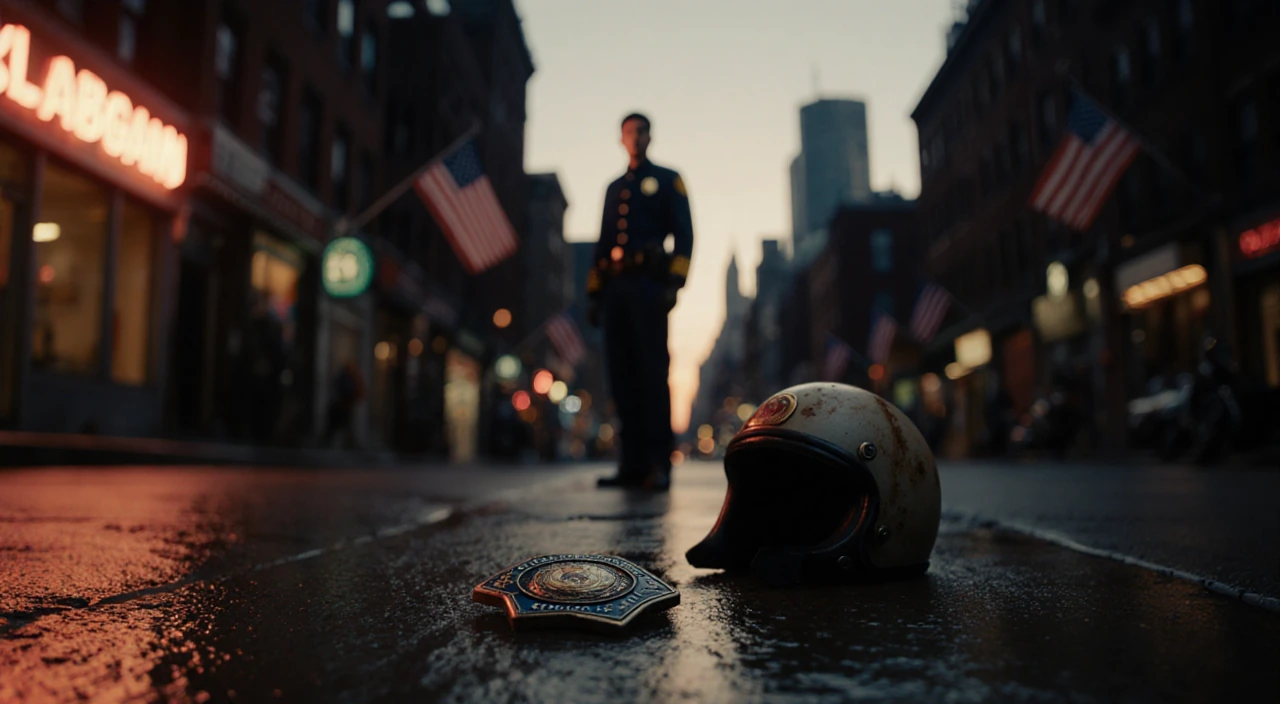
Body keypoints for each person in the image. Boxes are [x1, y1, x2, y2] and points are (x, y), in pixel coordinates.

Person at [586, 113, 693, 490]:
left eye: (642, 131)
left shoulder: (667, 179)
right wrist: (594, 293)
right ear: (621, 139)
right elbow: (601, 244)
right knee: (621, 376)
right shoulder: (613, 188)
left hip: (649, 286)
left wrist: (674, 284)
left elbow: (684, 235)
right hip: (616, 290)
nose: (635, 138)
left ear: (650, 137)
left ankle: (657, 463)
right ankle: (629, 465)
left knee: (651, 374)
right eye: (629, 132)